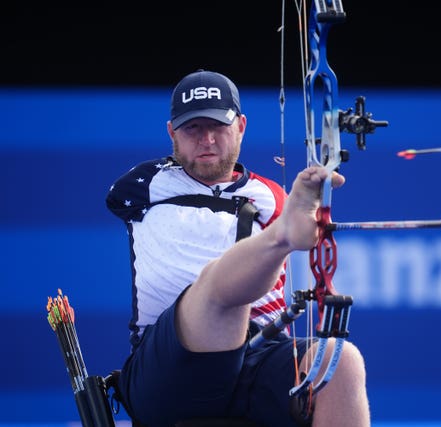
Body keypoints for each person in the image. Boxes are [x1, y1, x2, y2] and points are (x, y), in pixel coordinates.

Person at [106, 69, 370, 427]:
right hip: (170, 364)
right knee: (217, 290)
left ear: (241, 126)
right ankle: (280, 239)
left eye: (219, 126)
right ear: (171, 133)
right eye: (192, 129)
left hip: (258, 354)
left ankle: (281, 239)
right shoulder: (144, 185)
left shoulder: (273, 197)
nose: (207, 140)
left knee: (340, 362)